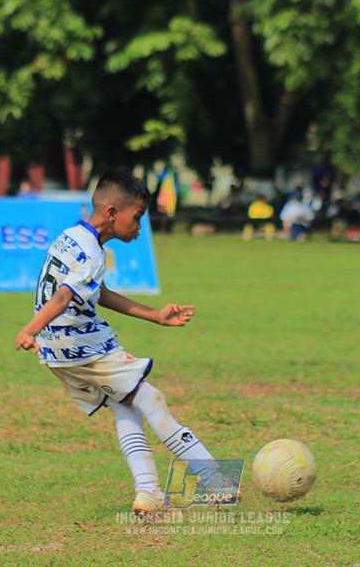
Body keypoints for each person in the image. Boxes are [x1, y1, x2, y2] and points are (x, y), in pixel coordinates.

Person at [14, 168, 230, 519]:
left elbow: (97, 294)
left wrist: (156, 315)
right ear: (113, 213)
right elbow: (64, 296)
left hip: (58, 351)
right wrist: (29, 330)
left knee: (126, 406)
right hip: (83, 345)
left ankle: (149, 493)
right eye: (138, 216)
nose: (140, 226)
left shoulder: (72, 236)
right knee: (151, 398)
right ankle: (214, 480)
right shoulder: (93, 254)